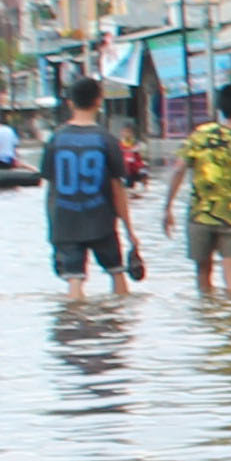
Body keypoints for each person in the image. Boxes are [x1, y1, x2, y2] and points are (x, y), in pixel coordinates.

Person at [164, 85, 231, 291]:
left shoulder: (200, 135)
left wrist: (167, 207)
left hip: (200, 216)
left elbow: (178, 170)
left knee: (202, 275)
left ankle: (206, 318)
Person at [40, 76, 135, 298]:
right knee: (117, 273)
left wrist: (53, 227)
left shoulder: (56, 139)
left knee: (74, 280)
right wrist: (130, 231)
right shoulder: (107, 140)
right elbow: (117, 189)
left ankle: (74, 324)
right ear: (99, 101)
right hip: (101, 221)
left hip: (65, 222)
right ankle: (121, 326)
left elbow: (50, 186)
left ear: (70, 103)